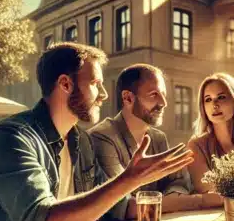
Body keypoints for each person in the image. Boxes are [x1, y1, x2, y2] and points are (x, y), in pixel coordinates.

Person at [0, 42, 194, 221]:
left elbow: (117, 207)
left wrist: (192, 200)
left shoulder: (81, 141)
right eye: (95, 84)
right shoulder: (11, 139)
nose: (104, 94)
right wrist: (130, 178)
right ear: (65, 84)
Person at [90, 64, 217, 212]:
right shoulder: (103, 137)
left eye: (163, 94)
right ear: (128, 98)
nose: (164, 103)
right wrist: (200, 201)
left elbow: (179, 182)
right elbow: (124, 206)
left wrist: (171, 200)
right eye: (154, 94)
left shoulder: (158, 138)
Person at [186, 73, 234, 195]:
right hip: (211, 213)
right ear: (203, 108)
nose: (214, 105)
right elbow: (207, 189)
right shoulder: (195, 146)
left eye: (221, 97)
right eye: (208, 100)